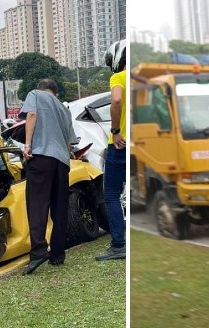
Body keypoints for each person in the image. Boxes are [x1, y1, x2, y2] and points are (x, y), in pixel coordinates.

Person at [20, 79, 78, 275]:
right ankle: (58, 254)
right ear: (56, 92)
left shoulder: (35, 95)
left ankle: (38, 251)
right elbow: (70, 142)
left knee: (37, 203)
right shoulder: (64, 109)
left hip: (42, 156)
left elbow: (32, 114)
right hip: (62, 162)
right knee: (59, 207)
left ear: (40, 88)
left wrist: (27, 145)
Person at [96, 39, 127, 261]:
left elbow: (116, 100)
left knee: (111, 195)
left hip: (120, 145)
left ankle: (119, 245)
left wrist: (115, 131)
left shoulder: (119, 77)